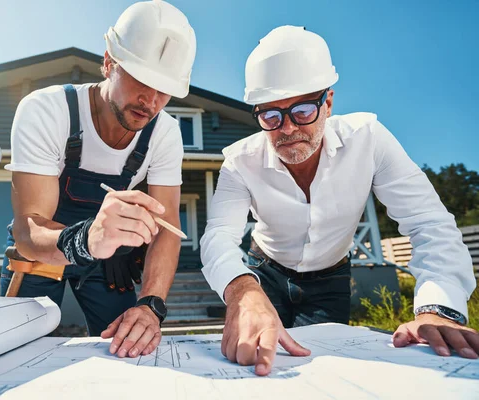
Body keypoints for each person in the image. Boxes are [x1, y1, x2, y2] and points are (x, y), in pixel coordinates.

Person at [200, 25, 478, 376]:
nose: (286, 129)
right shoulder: (240, 160)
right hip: (262, 273)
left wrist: (441, 307)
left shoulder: (370, 139)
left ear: (328, 102)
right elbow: (218, 236)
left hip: (329, 278)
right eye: (271, 115)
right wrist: (241, 289)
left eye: (302, 111)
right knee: (255, 367)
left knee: (320, 372)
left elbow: (428, 222)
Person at [0, 0, 196, 359]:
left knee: (127, 350)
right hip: (42, 253)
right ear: (109, 62)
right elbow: (28, 231)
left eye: (164, 89)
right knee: (17, 354)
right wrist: (87, 240)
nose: (151, 101)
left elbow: (169, 226)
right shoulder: (48, 111)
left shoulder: (165, 133)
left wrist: (152, 305)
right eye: (142, 79)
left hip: (107, 260)